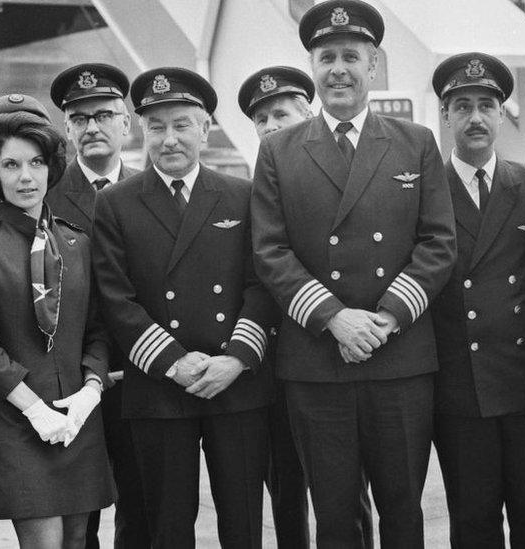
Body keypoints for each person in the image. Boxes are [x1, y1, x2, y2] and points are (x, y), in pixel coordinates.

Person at [251, 1, 457, 546]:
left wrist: (385, 319)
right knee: (336, 517)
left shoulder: (415, 142)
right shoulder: (279, 150)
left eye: (350, 56)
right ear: (313, 68)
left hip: (400, 359)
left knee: (403, 512)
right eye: (326, 58)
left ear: (373, 66)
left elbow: (438, 243)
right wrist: (336, 319)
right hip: (318, 362)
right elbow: (270, 250)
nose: (338, 68)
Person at [93, 66, 277, 548]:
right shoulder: (116, 202)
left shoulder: (241, 193)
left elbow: (261, 285)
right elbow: (116, 298)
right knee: (167, 527)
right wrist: (174, 363)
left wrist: (236, 358)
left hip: (235, 385)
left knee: (243, 524)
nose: (169, 139)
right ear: (141, 131)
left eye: (181, 125)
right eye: (156, 127)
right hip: (158, 387)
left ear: (206, 128)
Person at [0, 96, 115, 549]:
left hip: (77, 414)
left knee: (79, 541)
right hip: (16, 418)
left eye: (37, 163)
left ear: (51, 168)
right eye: (12, 165)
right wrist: (34, 408)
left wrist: (90, 392)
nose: (26, 177)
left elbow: (98, 330)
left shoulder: (76, 241)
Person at [238, 64, 376, 549]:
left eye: (282, 113)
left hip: (322, 357)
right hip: (266, 366)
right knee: (284, 490)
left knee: (342, 493)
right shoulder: (245, 191)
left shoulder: (338, 172)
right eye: (262, 120)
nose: (272, 126)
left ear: (308, 111)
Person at [429, 52, 525, 548]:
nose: (476, 117)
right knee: (474, 522)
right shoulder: (426, 191)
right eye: (462, 106)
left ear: (503, 113)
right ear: (445, 116)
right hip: (461, 387)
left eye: (487, 105)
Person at [47, 62, 147, 549]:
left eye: (104, 114)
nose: (92, 127)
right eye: (80, 118)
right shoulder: (41, 198)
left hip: (142, 376)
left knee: (142, 507)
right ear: (67, 129)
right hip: (68, 379)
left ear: (126, 123)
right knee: (76, 519)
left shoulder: (155, 192)